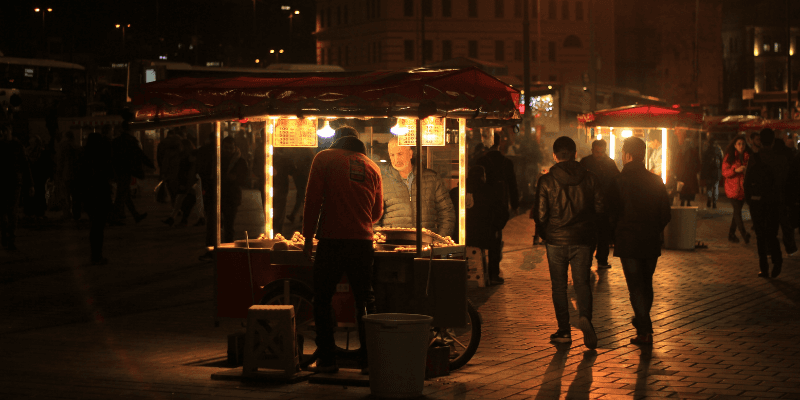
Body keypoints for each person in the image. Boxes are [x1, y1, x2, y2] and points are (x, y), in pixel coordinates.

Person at [302, 126, 383, 374]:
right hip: (362, 242)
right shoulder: (372, 166)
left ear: (336, 140)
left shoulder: (324, 158)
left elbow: (312, 200)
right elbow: (377, 213)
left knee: (323, 299)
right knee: (365, 300)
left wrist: (307, 239)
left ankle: (327, 360)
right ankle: (369, 362)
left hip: (331, 241)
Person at [533, 136, 603, 349]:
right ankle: (585, 318)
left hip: (556, 240)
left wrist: (547, 234)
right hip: (582, 240)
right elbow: (600, 210)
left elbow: (541, 214)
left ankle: (564, 331)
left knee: (559, 286)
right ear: (575, 154)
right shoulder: (591, 178)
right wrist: (592, 235)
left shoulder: (546, 180)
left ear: (554, 155)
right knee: (582, 283)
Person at [606, 137, 672, 346]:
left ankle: (644, 328)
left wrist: (615, 232)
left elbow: (611, 212)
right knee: (646, 283)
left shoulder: (618, 181)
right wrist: (654, 229)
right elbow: (665, 214)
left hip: (628, 240)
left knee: (635, 286)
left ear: (627, 155)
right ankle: (643, 326)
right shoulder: (655, 180)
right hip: (650, 240)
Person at [378, 137, 454, 237]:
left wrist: (438, 241)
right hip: (394, 244)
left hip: (426, 245)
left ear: (410, 154)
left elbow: (447, 213)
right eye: (392, 155)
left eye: (400, 154)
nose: (396, 159)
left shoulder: (432, 178)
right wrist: (381, 241)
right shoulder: (382, 181)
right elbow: (374, 218)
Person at [744, 128, 788, 278]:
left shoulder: (754, 158)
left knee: (760, 235)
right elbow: (784, 181)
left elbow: (747, 181)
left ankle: (764, 267)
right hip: (774, 201)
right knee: (772, 233)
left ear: (760, 141)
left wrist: (750, 199)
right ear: (773, 141)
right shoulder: (780, 159)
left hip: (757, 201)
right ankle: (777, 260)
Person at [476, 129, 518, 284]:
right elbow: (513, 185)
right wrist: (514, 204)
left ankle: (481, 270)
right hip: (499, 205)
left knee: (481, 236)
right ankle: (493, 274)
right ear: (499, 143)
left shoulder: (480, 161)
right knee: (495, 238)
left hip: (481, 204)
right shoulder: (506, 162)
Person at [579, 139, 620, 269]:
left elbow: (615, 182)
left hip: (604, 205)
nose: (599, 154)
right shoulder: (585, 163)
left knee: (603, 234)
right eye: (597, 152)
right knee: (590, 235)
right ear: (592, 150)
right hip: (589, 205)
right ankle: (589, 259)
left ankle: (601, 259)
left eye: (602, 152)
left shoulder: (609, 163)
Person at [78, 132, 115, 265]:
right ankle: (97, 254)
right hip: (101, 192)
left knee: (95, 225)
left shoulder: (84, 156)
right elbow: (110, 173)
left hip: (89, 193)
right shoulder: (103, 157)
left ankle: (95, 254)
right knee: (99, 226)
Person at [0, 123, 33, 251]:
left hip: (10, 181)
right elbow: (25, 165)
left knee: (8, 211)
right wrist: (30, 184)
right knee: (9, 211)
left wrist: (30, 184)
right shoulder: (17, 146)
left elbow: (25, 165)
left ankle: (7, 236)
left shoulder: (16, 146)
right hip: (13, 181)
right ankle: (9, 237)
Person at [112, 123, 152, 224]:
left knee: (125, 194)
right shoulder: (130, 141)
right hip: (126, 170)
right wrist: (149, 164)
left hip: (118, 170)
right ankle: (115, 217)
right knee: (122, 194)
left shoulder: (116, 142)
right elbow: (139, 154)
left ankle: (135, 215)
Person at [465, 165, 504, 261]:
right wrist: (496, 227)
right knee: (495, 244)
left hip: (466, 233)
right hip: (487, 232)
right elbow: (500, 212)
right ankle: (493, 273)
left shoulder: (460, 191)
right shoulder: (490, 192)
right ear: (482, 177)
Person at [721, 135, 750, 244]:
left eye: (743, 144)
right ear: (734, 145)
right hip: (732, 189)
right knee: (738, 212)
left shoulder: (748, 157)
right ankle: (744, 233)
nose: (741, 146)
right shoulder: (730, 157)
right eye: (739, 144)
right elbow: (724, 172)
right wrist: (736, 170)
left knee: (736, 213)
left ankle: (731, 234)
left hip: (743, 189)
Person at [701, 139, 724, 209]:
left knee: (709, 188)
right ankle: (714, 203)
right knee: (715, 187)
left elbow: (703, 162)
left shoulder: (706, 150)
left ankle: (709, 200)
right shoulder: (719, 150)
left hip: (708, 172)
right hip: (716, 171)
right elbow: (722, 160)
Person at [677, 138, 700, 207]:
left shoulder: (681, 152)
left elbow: (678, 163)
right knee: (690, 189)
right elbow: (697, 163)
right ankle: (688, 202)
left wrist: (678, 173)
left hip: (683, 174)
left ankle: (682, 201)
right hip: (691, 174)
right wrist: (697, 171)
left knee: (683, 188)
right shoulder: (694, 152)